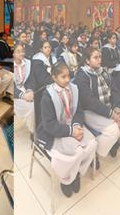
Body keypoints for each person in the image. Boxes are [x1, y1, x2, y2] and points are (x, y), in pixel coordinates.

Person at [37, 63, 97, 198]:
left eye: (68, 76)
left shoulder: (73, 89)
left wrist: (76, 125)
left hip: (71, 124)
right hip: (56, 129)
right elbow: (49, 124)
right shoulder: (48, 96)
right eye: (63, 77)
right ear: (54, 77)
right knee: (77, 151)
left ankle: (75, 174)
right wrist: (71, 132)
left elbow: (78, 110)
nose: (67, 79)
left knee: (92, 144)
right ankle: (66, 180)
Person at [73, 47, 120, 161]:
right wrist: (111, 113)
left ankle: (116, 143)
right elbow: (89, 101)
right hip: (90, 111)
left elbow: (115, 90)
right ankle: (96, 155)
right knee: (113, 130)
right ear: (87, 60)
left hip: (109, 107)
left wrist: (118, 107)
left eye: (100, 57)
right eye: (95, 58)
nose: (99, 60)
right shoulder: (82, 76)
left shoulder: (103, 71)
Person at [13, 43, 35, 132]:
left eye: (22, 51)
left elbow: (31, 79)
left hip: (25, 88)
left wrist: (30, 90)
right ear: (13, 54)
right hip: (15, 92)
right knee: (31, 107)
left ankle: (35, 126)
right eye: (18, 51)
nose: (21, 53)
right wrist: (23, 95)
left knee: (38, 102)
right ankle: (33, 131)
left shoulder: (28, 63)